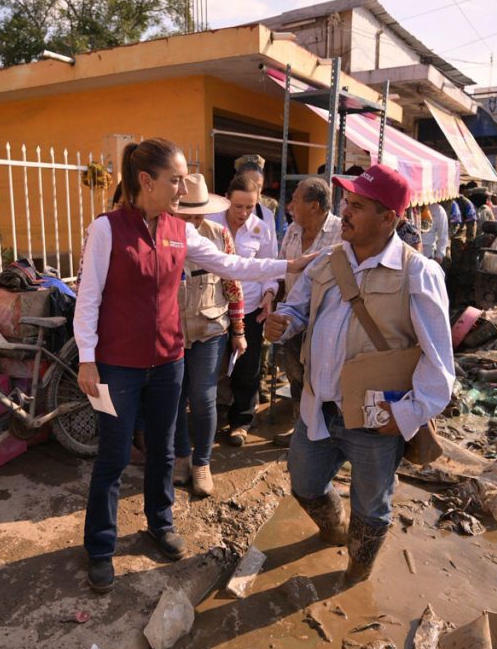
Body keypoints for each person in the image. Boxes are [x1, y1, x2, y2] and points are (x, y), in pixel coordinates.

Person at [74, 137, 316, 594]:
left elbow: (229, 264)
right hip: (115, 369)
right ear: (147, 181)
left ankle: (159, 523)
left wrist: (291, 264)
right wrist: (88, 360)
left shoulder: (178, 229)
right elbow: (88, 299)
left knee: (165, 449)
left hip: (168, 361)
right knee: (113, 455)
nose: (182, 188)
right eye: (176, 179)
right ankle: (101, 547)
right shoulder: (106, 229)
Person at [264, 163, 455, 587]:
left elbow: (440, 362)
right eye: (346, 203)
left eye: (358, 206)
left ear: (389, 218)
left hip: (377, 418)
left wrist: (407, 414)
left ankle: (357, 569)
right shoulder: (329, 262)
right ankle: (333, 529)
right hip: (319, 405)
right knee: (305, 482)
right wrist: (284, 321)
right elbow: (296, 308)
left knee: (371, 508)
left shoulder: (417, 272)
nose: (345, 213)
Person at [172, 175, 247, 497]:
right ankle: (180, 457)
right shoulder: (160, 236)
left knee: (203, 399)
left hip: (210, 330)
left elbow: (232, 282)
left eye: (198, 213)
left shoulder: (218, 236)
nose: (193, 220)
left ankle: (202, 462)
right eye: (186, 214)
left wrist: (239, 330)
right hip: (169, 333)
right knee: (174, 399)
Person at [210, 175, 280, 447]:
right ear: (227, 199)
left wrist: (269, 294)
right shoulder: (211, 223)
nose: (243, 213)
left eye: (249, 207)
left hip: (250, 308)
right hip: (214, 308)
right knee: (212, 366)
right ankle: (211, 417)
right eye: (238, 206)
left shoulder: (262, 229)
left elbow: (269, 268)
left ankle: (241, 421)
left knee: (247, 366)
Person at [275, 177, 341, 447]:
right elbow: (281, 269)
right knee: (296, 376)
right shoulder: (292, 230)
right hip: (294, 319)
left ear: (314, 205)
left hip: (325, 323)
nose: (290, 206)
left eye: (295, 200)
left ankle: (327, 435)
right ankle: (300, 429)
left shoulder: (340, 232)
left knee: (323, 380)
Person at [234, 154, 281, 247]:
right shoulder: (220, 210)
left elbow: (273, 247)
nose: (253, 190)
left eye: (258, 186)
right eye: (248, 184)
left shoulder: (268, 212)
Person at [420, 201, 449, 265]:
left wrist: (439, 255)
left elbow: (443, 234)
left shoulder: (438, 210)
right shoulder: (409, 207)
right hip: (410, 254)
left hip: (428, 255)